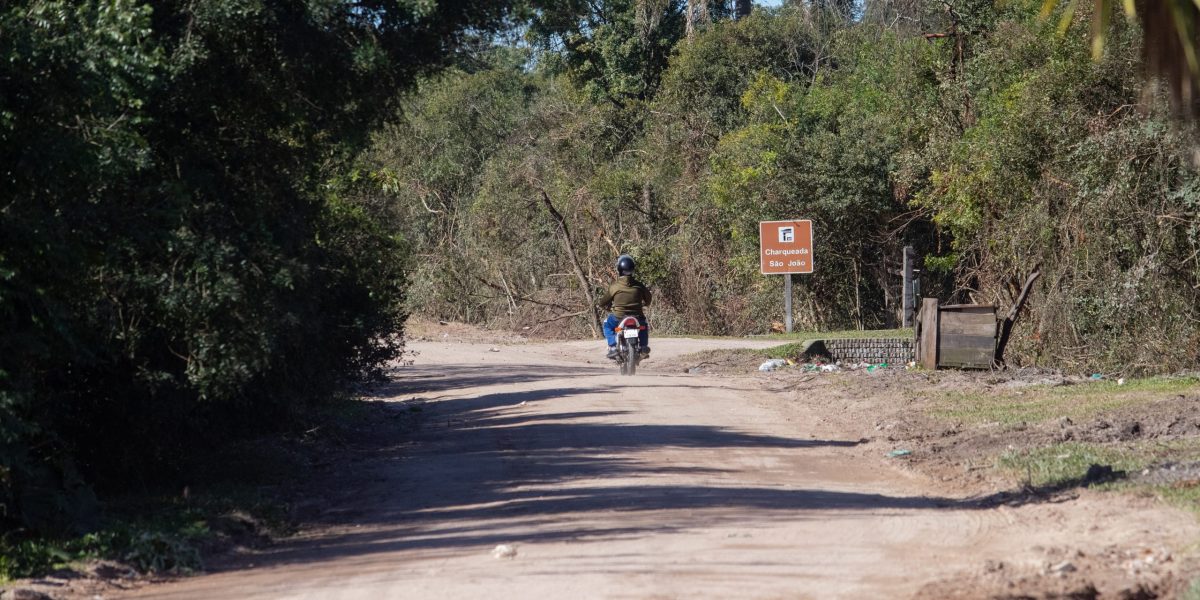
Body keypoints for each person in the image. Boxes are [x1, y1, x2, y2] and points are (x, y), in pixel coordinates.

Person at [597, 254, 652, 359]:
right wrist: (646, 304)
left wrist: (605, 306)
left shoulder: (614, 287)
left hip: (618, 317)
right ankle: (643, 346)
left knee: (607, 325)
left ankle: (613, 347)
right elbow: (648, 298)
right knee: (643, 326)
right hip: (637, 317)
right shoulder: (639, 286)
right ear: (632, 269)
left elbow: (603, 302)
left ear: (619, 269)